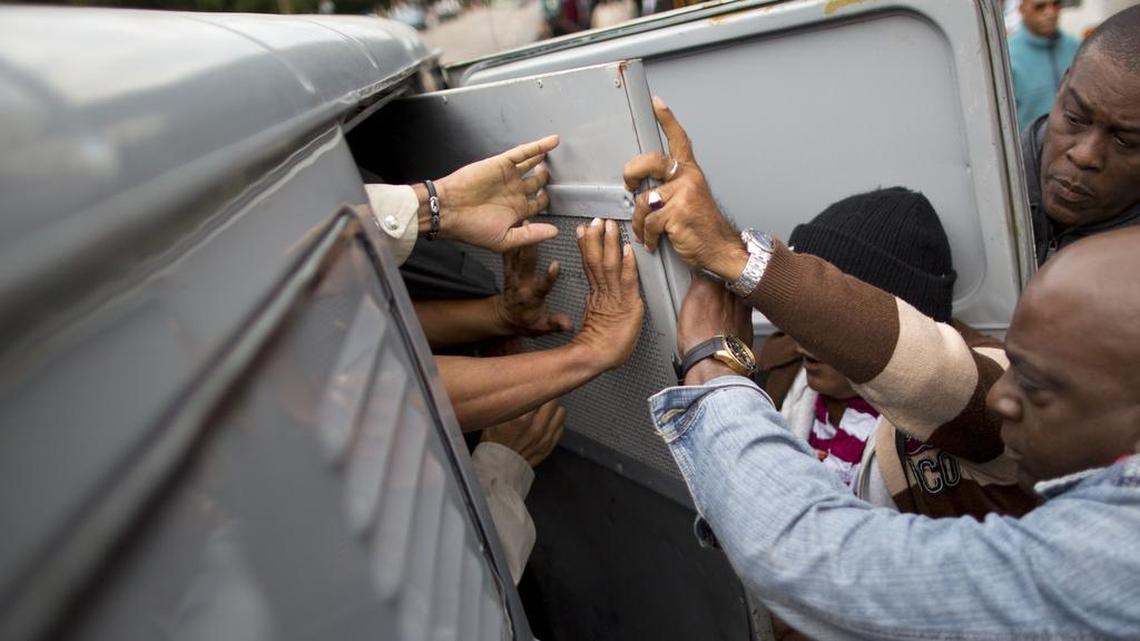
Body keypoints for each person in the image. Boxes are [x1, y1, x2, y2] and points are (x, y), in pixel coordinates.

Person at [647, 226, 1140, 640]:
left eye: (1034, 385)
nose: (1002, 397)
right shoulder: (784, 372)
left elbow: (815, 559)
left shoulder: (1114, 562)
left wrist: (716, 372)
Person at [1020, 5, 1140, 263]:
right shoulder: (979, 182)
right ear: (1063, 85)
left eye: (1125, 141)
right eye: (1075, 119)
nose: (1085, 156)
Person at [1008, 0, 1080, 127]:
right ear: (1022, 10)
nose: (1050, 12)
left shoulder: (1076, 48)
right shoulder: (1008, 57)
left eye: (1056, 4)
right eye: (1039, 7)